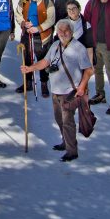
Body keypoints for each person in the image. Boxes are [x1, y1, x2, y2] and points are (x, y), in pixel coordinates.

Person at [21, 19, 94, 162]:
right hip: (55, 90)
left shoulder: (78, 48)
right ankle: (65, 142)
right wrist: (30, 68)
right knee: (59, 119)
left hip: (70, 92)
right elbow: (45, 62)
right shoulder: (55, 45)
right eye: (60, 30)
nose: (62, 33)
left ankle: (71, 151)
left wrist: (81, 87)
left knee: (68, 121)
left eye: (65, 30)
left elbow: (89, 70)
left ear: (71, 32)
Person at [16, 0, 55, 96]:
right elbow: (18, 13)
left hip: (41, 36)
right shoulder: (24, 0)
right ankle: (28, 82)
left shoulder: (47, 1)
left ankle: (43, 83)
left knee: (42, 59)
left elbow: (51, 19)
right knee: (27, 58)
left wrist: (38, 28)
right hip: (27, 34)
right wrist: (23, 23)